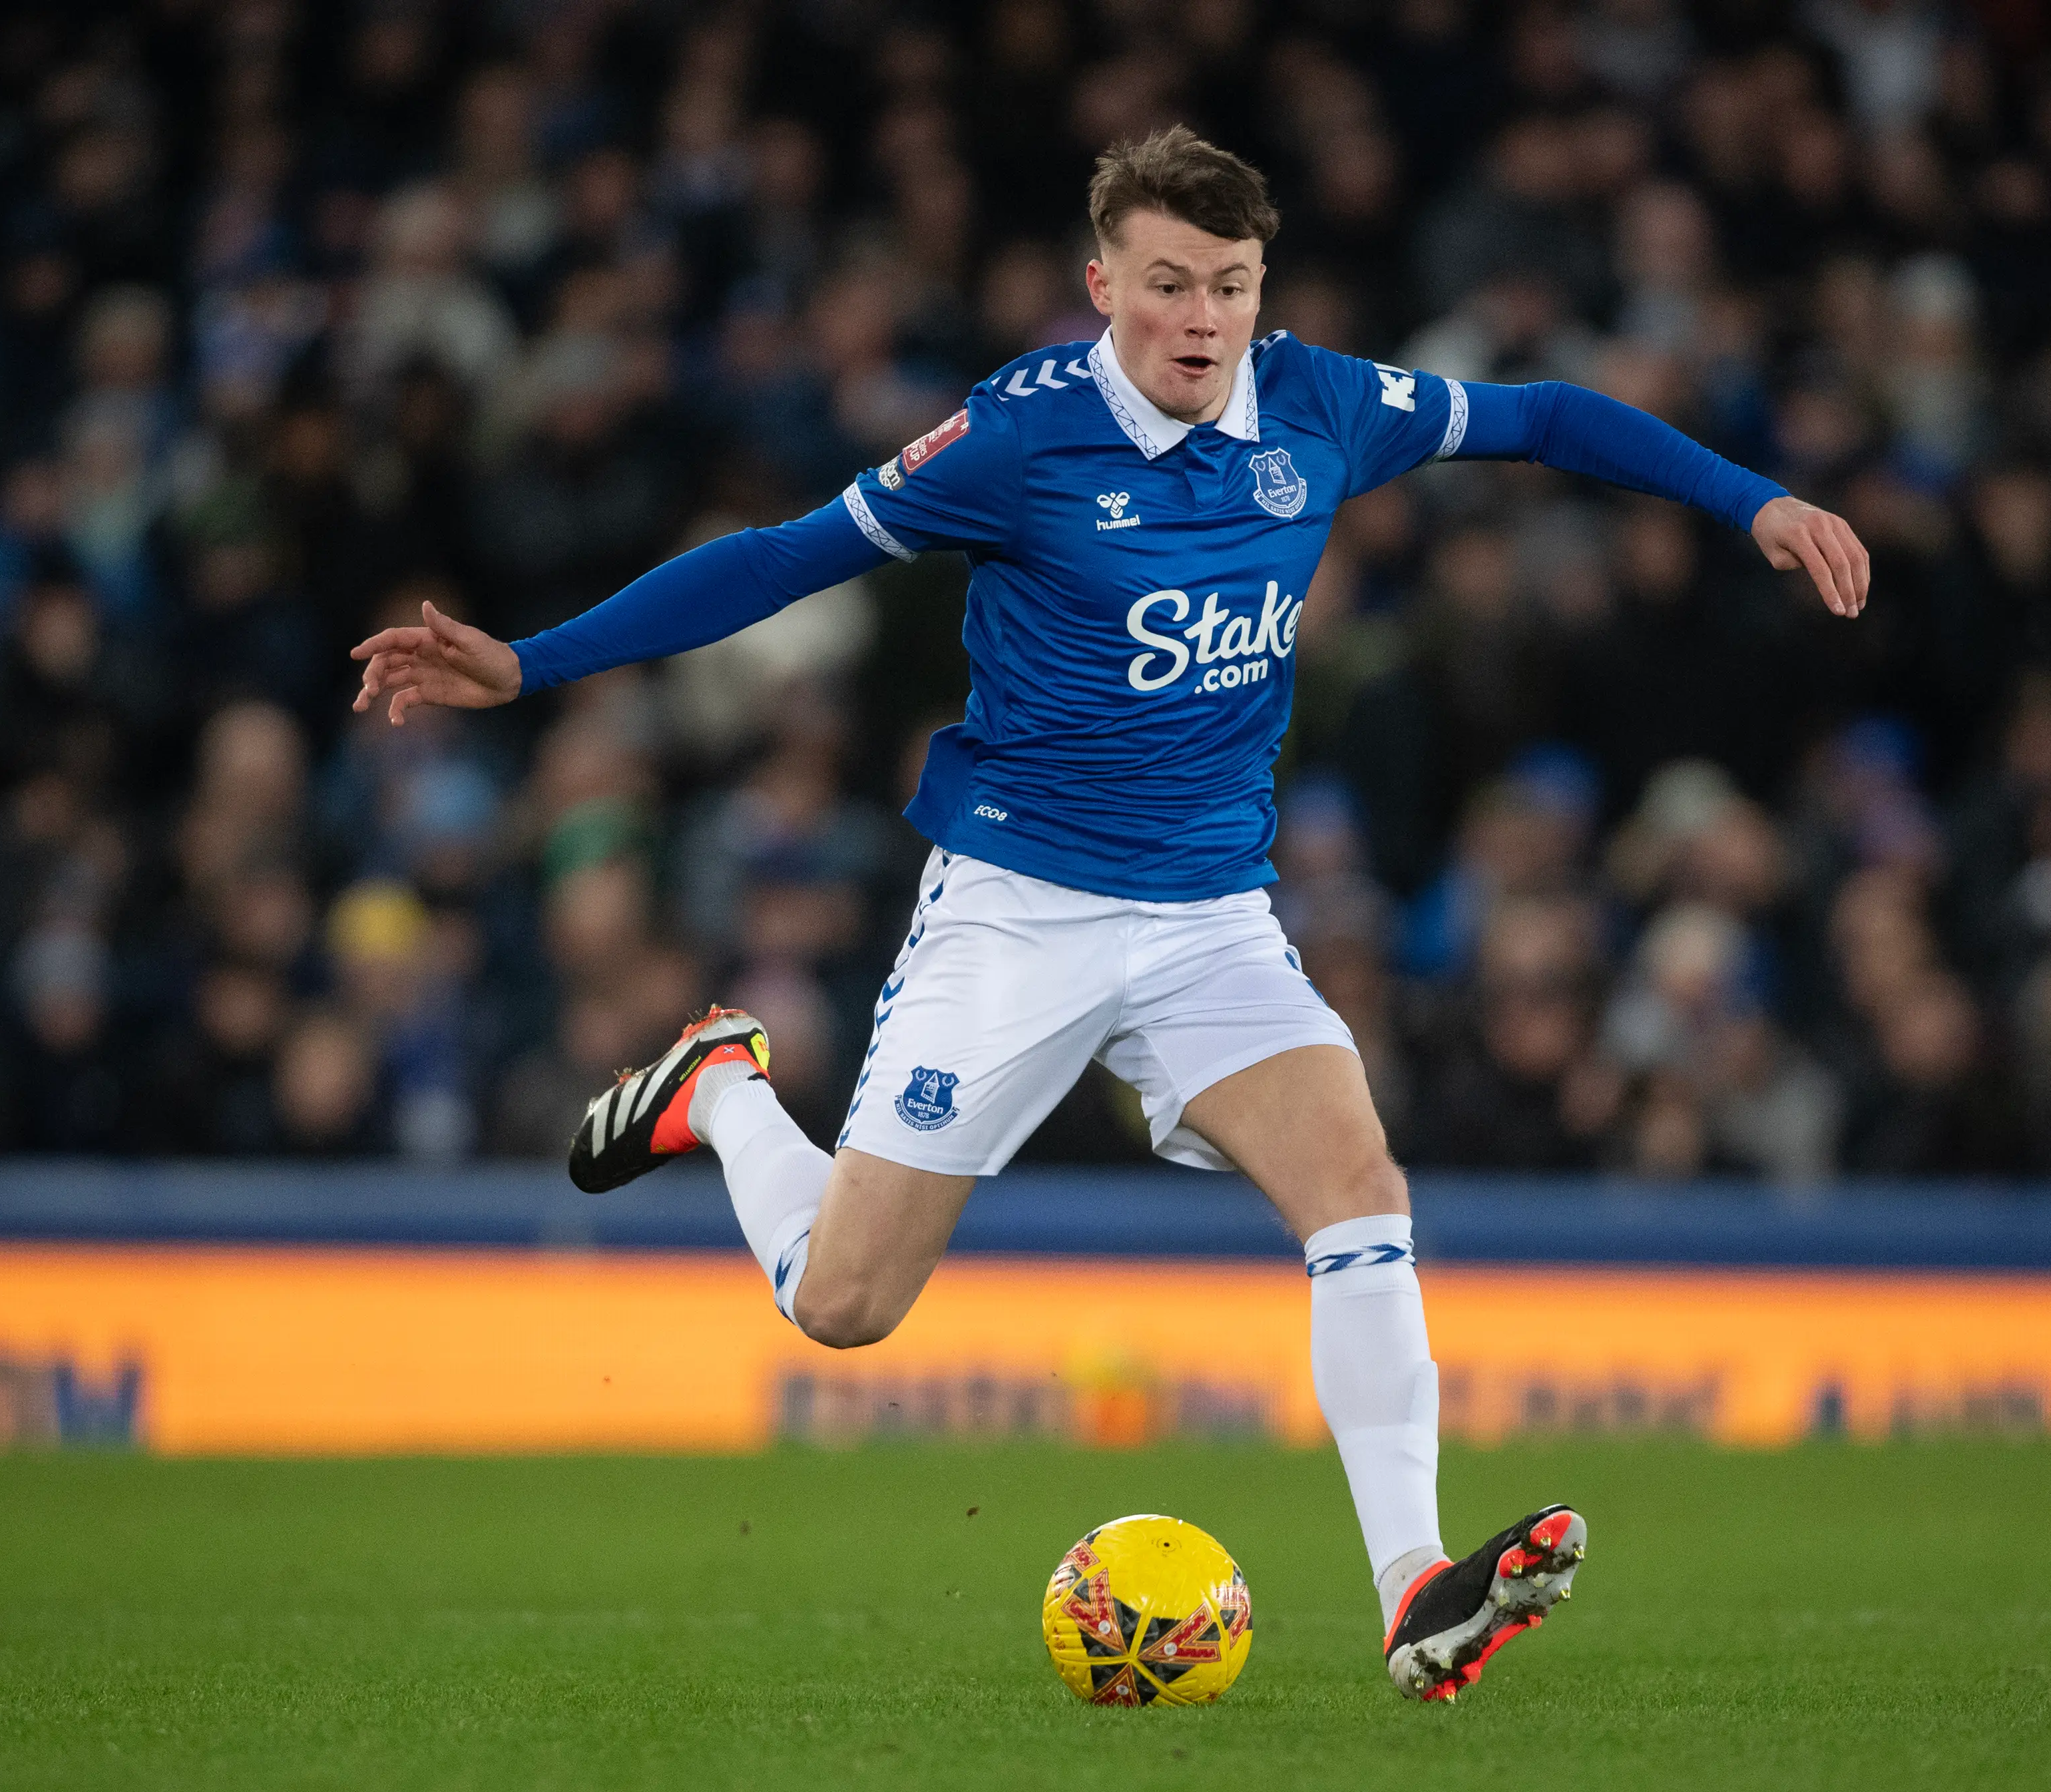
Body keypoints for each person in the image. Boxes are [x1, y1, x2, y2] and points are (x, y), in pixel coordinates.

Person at [350, 127, 1869, 1701]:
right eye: (1168, 283)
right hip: (1021, 910)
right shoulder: (1018, 437)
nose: (1202, 318)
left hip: (1213, 915)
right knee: (846, 1304)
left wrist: (1752, 501)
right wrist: (533, 662)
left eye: (1231, 284)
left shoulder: (1325, 404)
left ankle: (1413, 1581)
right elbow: (783, 559)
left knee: (1358, 1184)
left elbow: (1545, 414)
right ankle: (723, 1088)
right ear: (1102, 286)